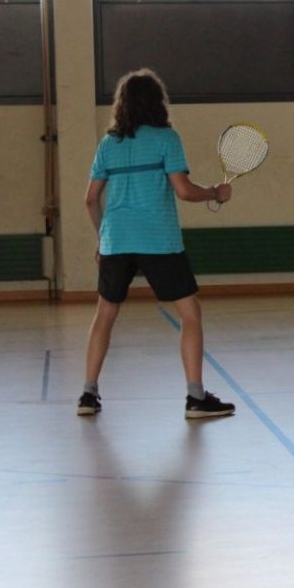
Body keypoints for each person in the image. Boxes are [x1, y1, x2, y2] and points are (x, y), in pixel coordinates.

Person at [77, 68, 236, 418]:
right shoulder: (167, 138)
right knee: (190, 314)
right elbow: (184, 191)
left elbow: (90, 199)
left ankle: (88, 395)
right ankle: (196, 398)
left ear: (122, 104)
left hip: (116, 241)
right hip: (158, 240)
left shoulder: (108, 144)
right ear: (157, 103)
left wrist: (102, 237)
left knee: (104, 315)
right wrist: (215, 193)